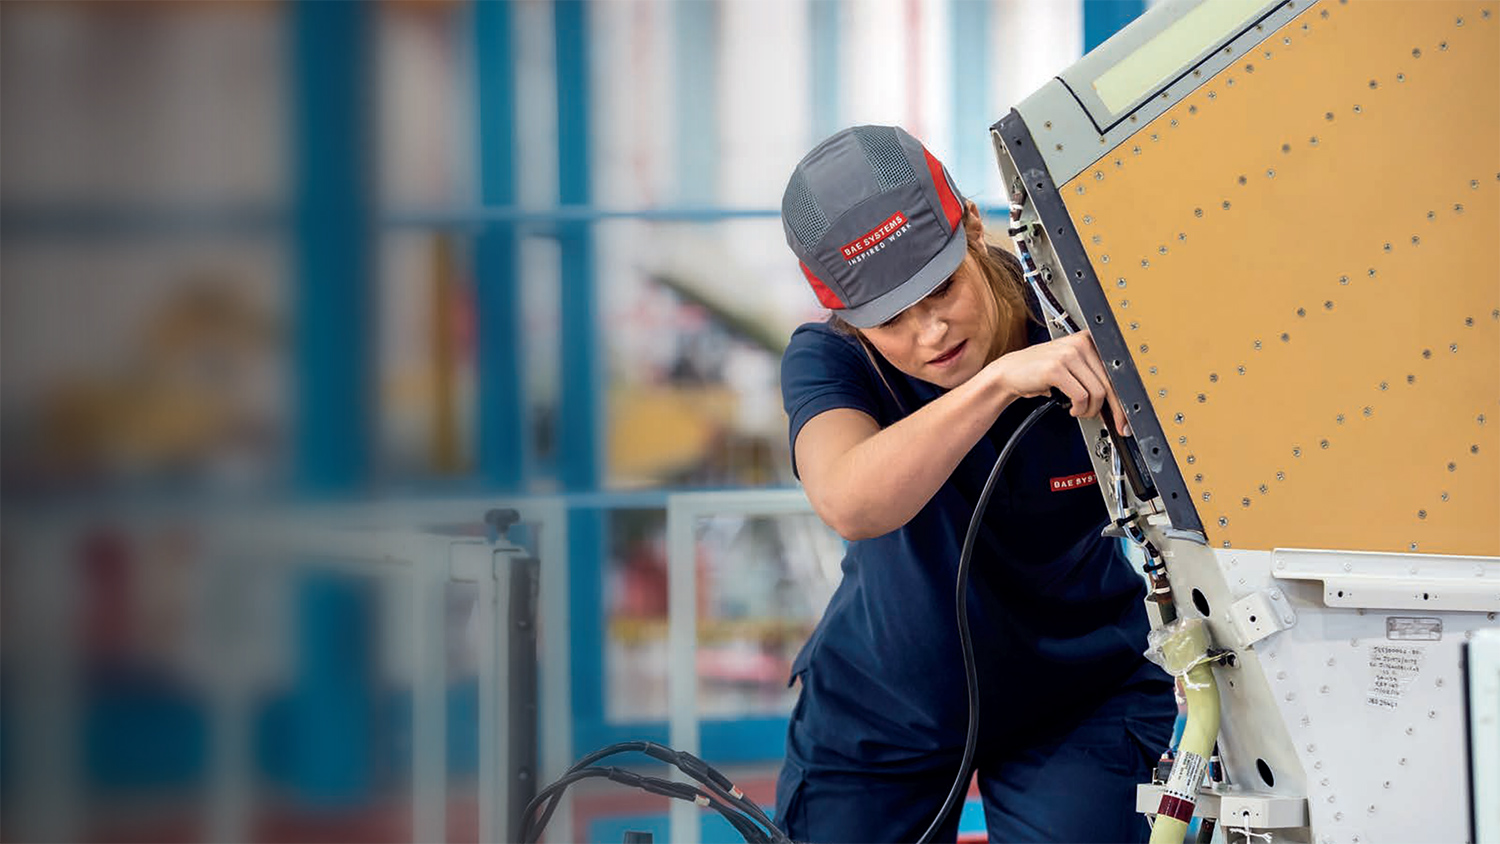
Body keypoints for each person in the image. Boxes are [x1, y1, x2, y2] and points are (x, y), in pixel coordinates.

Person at [773, 124, 1176, 843]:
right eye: (890, 320)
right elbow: (850, 501)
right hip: (881, 709)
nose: (930, 332)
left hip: (1077, 698)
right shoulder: (830, 361)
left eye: (942, 288)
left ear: (972, 227)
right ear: (850, 321)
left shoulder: (1079, 319)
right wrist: (996, 383)